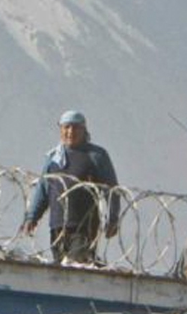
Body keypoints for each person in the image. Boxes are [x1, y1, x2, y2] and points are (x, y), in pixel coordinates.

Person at [21, 110, 121, 264]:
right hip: (57, 227)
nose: (70, 132)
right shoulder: (53, 158)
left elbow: (111, 190)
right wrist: (32, 217)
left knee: (76, 266)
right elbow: (43, 190)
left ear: (84, 130)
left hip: (83, 228)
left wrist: (113, 218)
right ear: (60, 129)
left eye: (76, 128)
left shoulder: (95, 156)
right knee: (62, 272)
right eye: (66, 127)